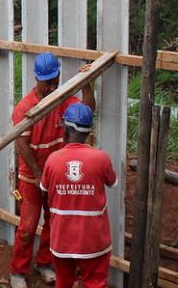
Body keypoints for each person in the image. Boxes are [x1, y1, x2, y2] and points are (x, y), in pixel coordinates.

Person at [10, 53, 95, 287]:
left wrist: (86, 84)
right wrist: (38, 175)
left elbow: (87, 109)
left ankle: (44, 263)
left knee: (54, 222)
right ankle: (18, 271)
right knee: (27, 228)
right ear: (37, 78)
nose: (51, 86)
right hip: (31, 177)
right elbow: (23, 146)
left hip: (56, 175)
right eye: (47, 82)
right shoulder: (25, 107)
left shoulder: (62, 99)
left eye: (54, 81)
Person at [40, 103, 117, 288]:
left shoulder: (53, 159)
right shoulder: (101, 158)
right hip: (93, 239)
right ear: (88, 132)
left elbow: (44, 193)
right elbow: (113, 183)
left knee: (63, 282)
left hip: (62, 238)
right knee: (95, 283)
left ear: (65, 130)